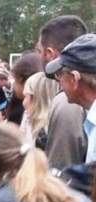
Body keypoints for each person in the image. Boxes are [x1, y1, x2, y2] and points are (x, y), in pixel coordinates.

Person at [38, 15, 88, 171]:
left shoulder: (69, 100)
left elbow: (62, 176)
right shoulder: (86, 89)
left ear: (50, 53)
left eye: (39, 51)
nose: (38, 56)